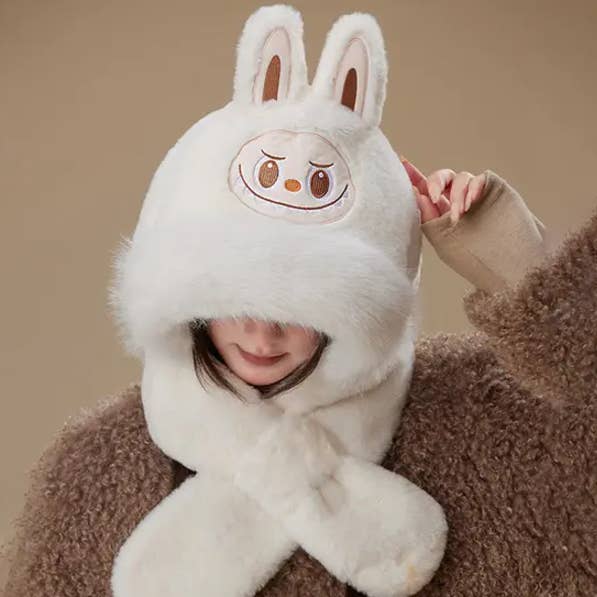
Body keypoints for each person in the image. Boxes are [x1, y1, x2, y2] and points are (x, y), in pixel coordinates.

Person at [3, 5, 596, 596]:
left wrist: (516, 263)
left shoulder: (479, 422)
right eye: (238, 295)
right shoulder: (91, 474)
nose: (263, 335)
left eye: (304, 308)